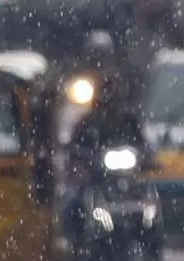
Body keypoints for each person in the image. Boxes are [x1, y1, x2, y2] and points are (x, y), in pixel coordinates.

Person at [64, 70, 151, 244]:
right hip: (95, 179)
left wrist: (147, 157)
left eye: (113, 94)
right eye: (106, 94)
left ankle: (150, 236)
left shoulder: (129, 121)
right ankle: (75, 241)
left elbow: (144, 144)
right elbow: (75, 147)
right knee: (73, 202)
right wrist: (83, 159)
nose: (110, 100)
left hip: (128, 180)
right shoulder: (87, 123)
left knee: (151, 199)